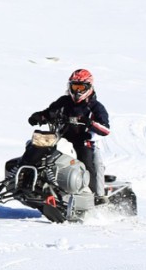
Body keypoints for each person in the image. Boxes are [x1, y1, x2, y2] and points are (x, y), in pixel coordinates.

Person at [29, 68, 111, 201]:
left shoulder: (95, 106)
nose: (77, 91)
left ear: (88, 87)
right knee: (37, 150)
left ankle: (93, 195)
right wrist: (39, 117)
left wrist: (89, 122)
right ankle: (29, 180)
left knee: (86, 163)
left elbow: (106, 129)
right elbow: (50, 112)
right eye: (74, 86)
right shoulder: (64, 101)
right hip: (61, 138)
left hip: (83, 141)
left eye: (80, 87)